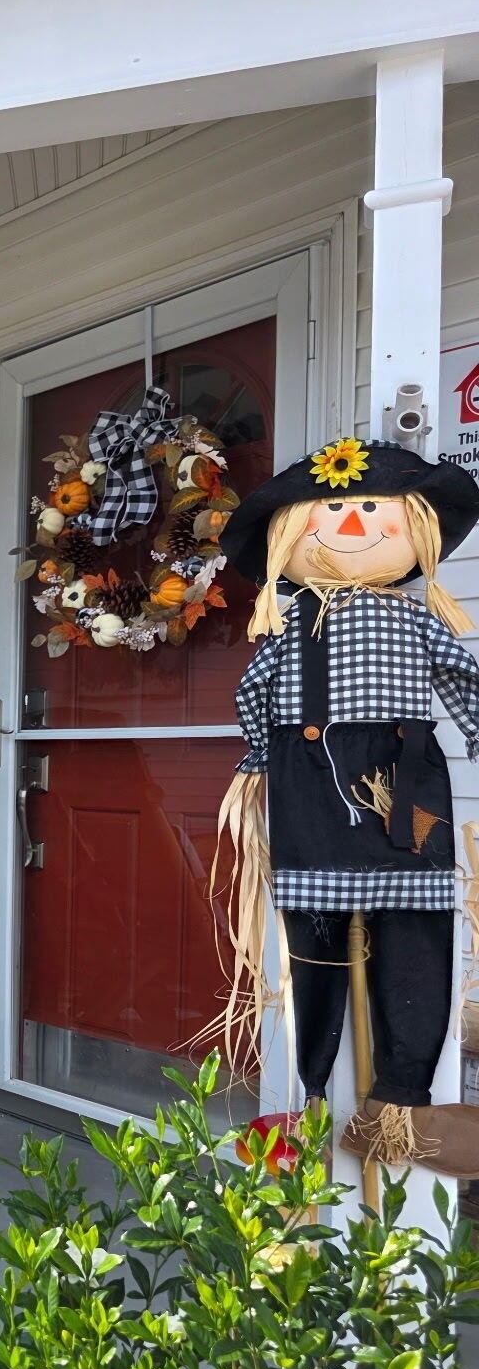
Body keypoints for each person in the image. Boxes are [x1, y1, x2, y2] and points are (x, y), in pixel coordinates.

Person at [217, 437, 479, 1176]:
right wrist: (260, 760)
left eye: (372, 507)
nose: (355, 524)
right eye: (334, 508)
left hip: (405, 786)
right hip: (309, 782)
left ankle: (399, 1104)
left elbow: (463, 678)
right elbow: (254, 696)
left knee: (416, 935)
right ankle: (305, 1102)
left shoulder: (417, 617)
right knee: (313, 943)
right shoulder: (288, 623)